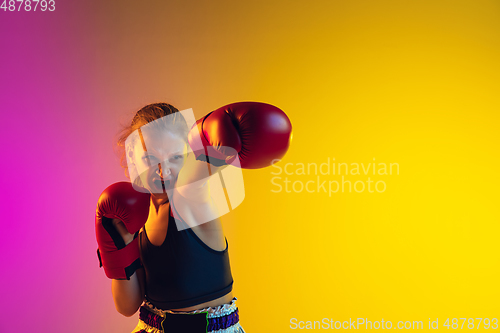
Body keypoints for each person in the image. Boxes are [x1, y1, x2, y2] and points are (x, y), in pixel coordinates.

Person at [95, 102, 292, 332]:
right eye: (150, 158)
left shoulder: (189, 197)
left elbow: (200, 171)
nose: (163, 171)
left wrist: (221, 136)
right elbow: (127, 306)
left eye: (176, 157)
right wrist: (116, 242)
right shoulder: (133, 214)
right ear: (131, 154)